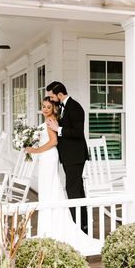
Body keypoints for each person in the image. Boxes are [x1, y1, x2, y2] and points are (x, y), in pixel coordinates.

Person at [25, 97, 100, 254]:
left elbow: (53, 142)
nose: (45, 109)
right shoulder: (47, 120)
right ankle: (47, 228)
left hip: (49, 157)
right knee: (46, 191)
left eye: (48, 107)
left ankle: (53, 229)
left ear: (53, 109)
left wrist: (35, 151)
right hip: (44, 157)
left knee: (49, 189)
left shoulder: (51, 121)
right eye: (43, 106)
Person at [46, 81, 89, 233]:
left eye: (52, 96)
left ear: (60, 94)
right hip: (69, 156)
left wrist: (59, 129)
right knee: (77, 190)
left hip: (75, 156)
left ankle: (78, 227)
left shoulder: (75, 107)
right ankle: (83, 225)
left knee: (72, 190)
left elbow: (78, 132)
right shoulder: (63, 107)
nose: (51, 99)